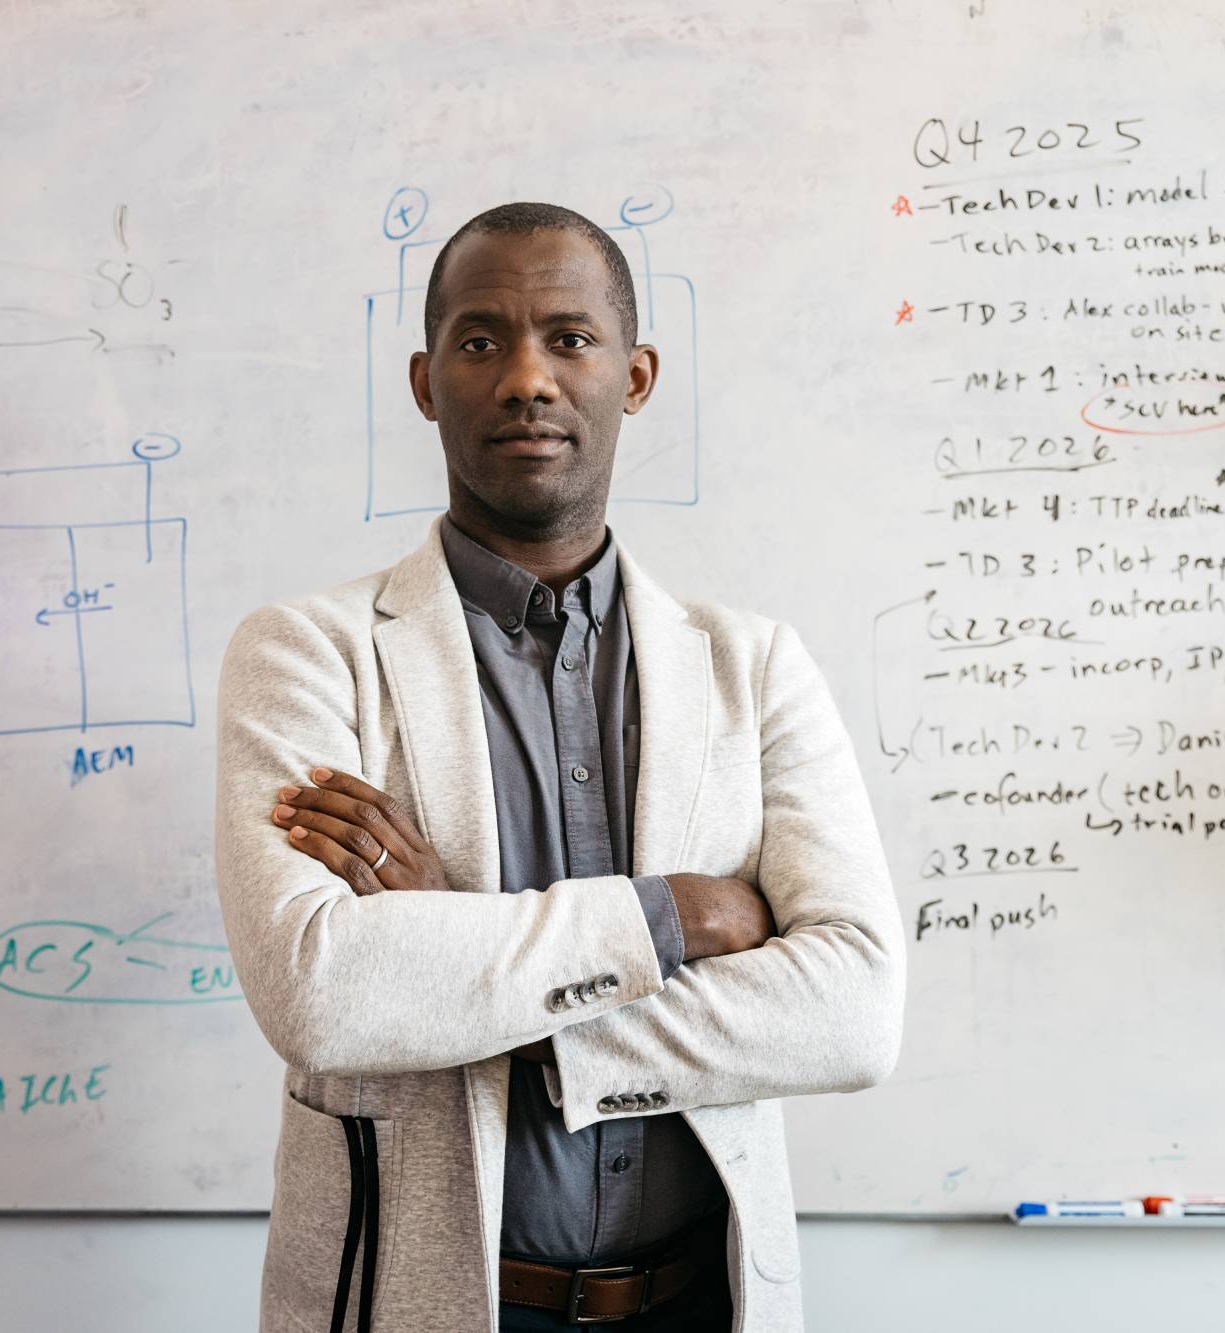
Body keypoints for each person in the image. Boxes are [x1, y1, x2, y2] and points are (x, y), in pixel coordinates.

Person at [215, 201, 904, 1333]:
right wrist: (673, 917)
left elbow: (853, 1011)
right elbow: (321, 995)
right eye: (480, 340)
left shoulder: (753, 667)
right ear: (425, 382)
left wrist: (457, 953)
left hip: (704, 1300)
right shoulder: (306, 654)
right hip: (421, 1305)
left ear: (633, 377)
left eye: (569, 338)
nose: (526, 378)